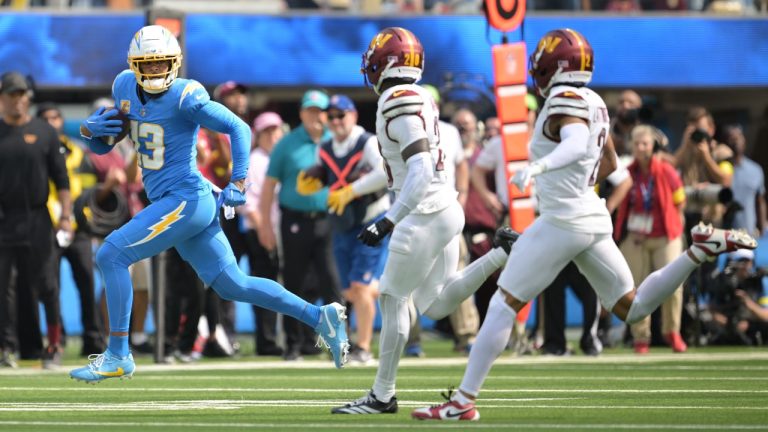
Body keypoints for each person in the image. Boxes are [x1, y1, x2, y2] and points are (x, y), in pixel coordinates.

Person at [411, 28, 757, 421]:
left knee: (503, 303)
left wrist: (539, 167)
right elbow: (608, 162)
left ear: (554, 65)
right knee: (633, 306)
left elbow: (576, 144)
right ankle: (698, 251)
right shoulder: (595, 102)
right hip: (592, 214)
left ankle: (462, 402)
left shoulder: (563, 99)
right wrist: (574, 183)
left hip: (562, 217)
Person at [69, 25, 349, 383]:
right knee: (233, 285)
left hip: (185, 198)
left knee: (111, 255)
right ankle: (317, 316)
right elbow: (113, 142)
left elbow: (239, 128)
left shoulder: (186, 95)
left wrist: (238, 179)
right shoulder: (124, 86)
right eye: (148, 65)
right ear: (134, 65)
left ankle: (118, 354)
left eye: (162, 64)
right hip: (178, 201)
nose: (155, 72)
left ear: (175, 63)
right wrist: (92, 133)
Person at [331, 27, 518, 415]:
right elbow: (402, 169)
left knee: (393, 298)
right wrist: (356, 189)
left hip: (423, 212)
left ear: (387, 63)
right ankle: (500, 254)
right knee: (434, 304)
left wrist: (388, 219)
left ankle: (382, 395)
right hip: (445, 208)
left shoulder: (395, 101)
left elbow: (417, 169)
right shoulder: (418, 97)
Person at [299, 94, 389, 364]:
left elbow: (385, 173)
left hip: (371, 219)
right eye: (332, 116)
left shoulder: (368, 142)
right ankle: (381, 290)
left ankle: (362, 347)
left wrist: (352, 190)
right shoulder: (324, 147)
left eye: (342, 115)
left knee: (359, 288)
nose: (336, 121)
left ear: (354, 116)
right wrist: (313, 181)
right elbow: (325, 176)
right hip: (341, 222)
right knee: (349, 290)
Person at [257, 89, 344, 361]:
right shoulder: (287, 143)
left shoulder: (337, 141)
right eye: (310, 111)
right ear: (302, 113)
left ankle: (336, 342)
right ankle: (293, 344)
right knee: (293, 282)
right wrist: (265, 226)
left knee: (330, 282)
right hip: (294, 220)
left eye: (319, 111)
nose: (315, 116)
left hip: (329, 219)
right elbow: (269, 185)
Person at [0, 72, 72, 368]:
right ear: (2, 97)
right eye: (11, 94)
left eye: (21, 94)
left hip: (38, 216)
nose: (17, 100)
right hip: (4, 218)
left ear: (28, 98)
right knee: (3, 286)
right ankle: (6, 348)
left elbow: (62, 178)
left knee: (47, 283)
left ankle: (53, 345)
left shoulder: (45, 131)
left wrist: (66, 216)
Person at [37, 102, 105, 367]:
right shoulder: (34, 150)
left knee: (87, 284)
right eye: (45, 118)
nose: (51, 123)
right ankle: (58, 340)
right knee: (50, 288)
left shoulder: (78, 151)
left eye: (55, 117)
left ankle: (94, 340)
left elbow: (89, 188)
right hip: (46, 226)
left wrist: (85, 219)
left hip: (78, 228)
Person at [614, 125, 688, 354]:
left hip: (665, 235)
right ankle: (640, 337)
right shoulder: (627, 172)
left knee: (673, 286)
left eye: (644, 143)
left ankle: (672, 331)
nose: (640, 148)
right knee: (633, 288)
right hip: (635, 237)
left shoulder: (666, 171)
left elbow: (681, 201)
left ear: (652, 146)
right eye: (636, 144)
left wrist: (673, 223)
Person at [241, 111, 285, 356]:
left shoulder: (280, 157)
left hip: (282, 229)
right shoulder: (254, 160)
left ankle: (288, 338)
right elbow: (246, 202)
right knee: (265, 287)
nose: (272, 135)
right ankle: (267, 341)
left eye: (275, 130)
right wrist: (262, 229)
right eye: (267, 131)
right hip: (261, 232)